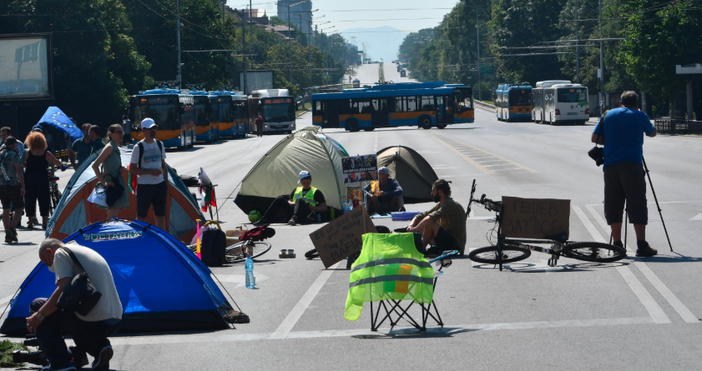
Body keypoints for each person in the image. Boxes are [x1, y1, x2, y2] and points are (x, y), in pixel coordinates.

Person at [29, 238, 122, 371]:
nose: (50, 267)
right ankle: (99, 348)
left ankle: (61, 363)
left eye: (46, 262)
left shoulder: (61, 253)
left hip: (95, 321)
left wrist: (38, 316)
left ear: (49, 252)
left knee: (37, 305)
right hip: (113, 321)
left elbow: (62, 289)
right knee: (70, 310)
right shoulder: (82, 250)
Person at [591, 90, 657, 257]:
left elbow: (594, 138)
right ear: (636, 104)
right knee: (637, 201)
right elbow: (652, 133)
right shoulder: (639, 115)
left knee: (613, 202)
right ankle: (641, 245)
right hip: (632, 164)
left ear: (620, 103)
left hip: (611, 165)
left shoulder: (608, 114)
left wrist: (614, 140)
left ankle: (617, 245)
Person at [407, 179, 466, 256]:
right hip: (447, 240)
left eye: (433, 191)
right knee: (423, 221)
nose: (431, 194)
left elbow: (429, 218)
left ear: (440, 192)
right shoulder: (442, 203)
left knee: (429, 222)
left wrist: (415, 229)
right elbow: (422, 215)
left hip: (454, 245)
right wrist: (411, 225)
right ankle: (435, 247)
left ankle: (420, 250)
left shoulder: (450, 205)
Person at [129, 118, 168, 230]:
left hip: (160, 186)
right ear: (143, 130)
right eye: (150, 129)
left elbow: (163, 166)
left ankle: (161, 239)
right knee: (141, 217)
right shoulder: (138, 147)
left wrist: (165, 184)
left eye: (154, 128)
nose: (153, 130)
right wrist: (150, 171)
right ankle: (139, 239)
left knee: (160, 216)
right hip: (144, 186)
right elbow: (132, 169)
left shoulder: (160, 144)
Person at [254, 170, 327, 226]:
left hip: (307, 215)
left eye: (307, 182)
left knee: (300, 200)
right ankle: (265, 219)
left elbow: (324, 208)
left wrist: (312, 208)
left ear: (311, 180)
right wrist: (295, 203)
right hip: (293, 212)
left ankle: (294, 218)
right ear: (300, 181)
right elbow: (289, 201)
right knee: (280, 199)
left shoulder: (316, 191)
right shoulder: (296, 190)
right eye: (303, 183)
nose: (306, 184)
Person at [23, 132, 64, 229]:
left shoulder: (28, 152)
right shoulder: (46, 153)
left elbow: (22, 162)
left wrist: (27, 167)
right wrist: (62, 165)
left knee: (30, 199)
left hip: (30, 178)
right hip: (42, 178)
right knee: (44, 199)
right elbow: (55, 161)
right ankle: (44, 221)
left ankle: (30, 222)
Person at [92, 125, 129, 220]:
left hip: (116, 184)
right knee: (111, 218)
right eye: (118, 132)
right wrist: (104, 183)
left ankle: (111, 233)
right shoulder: (109, 148)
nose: (121, 134)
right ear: (111, 134)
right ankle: (109, 234)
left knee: (113, 217)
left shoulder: (115, 148)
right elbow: (95, 165)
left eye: (122, 132)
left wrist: (121, 168)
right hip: (111, 186)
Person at [0, 137, 25, 243]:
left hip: (1, 185)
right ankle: (12, 228)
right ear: (14, 144)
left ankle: (7, 234)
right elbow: (18, 171)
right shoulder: (14, 154)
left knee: (6, 209)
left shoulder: (0, 153)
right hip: (13, 184)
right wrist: (23, 186)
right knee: (19, 207)